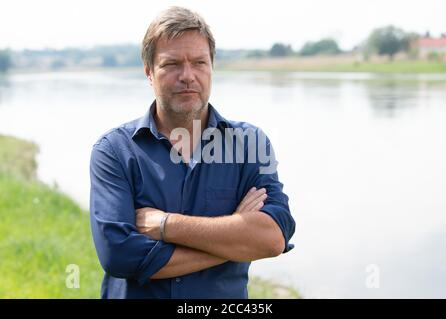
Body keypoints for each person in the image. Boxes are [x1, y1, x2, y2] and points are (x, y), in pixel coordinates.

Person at [89, 6, 296, 299]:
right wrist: (234, 240)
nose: (187, 76)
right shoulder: (114, 151)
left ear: (212, 67)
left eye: (199, 62)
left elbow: (273, 237)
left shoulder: (249, 144)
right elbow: (119, 256)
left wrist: (165, 225)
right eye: (172, 64)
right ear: (149, 72)